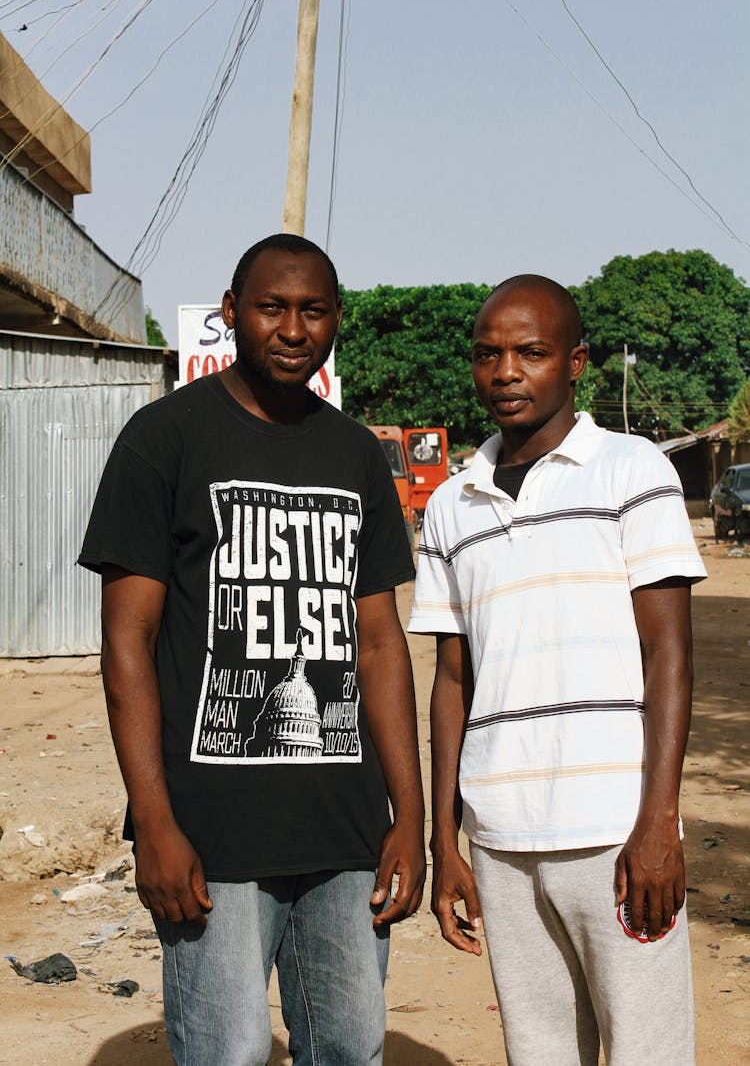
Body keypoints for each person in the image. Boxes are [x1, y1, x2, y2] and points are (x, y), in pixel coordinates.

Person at [79, 233, 425, 1066]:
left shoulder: (355, 455)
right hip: (211, 836)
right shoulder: (164, 439)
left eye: (314, 311)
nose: (293, 328)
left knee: (349, 1046)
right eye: (273, 307)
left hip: (344, 832)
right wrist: (153, 822)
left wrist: (409, 817)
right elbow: (126, 639)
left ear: (337, 319)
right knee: (225, 1051)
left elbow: (379, 643)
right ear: (232, 313)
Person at [408, 274, 705, 1066]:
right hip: (502, 839)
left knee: (650, 1052)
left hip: (616, 832)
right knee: (537, 1052)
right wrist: (448, 839)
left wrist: (658, 824)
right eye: (488, 354)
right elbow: (451, 680)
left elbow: (668, 652)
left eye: (531, 352)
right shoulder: (451, 504)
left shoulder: (630, 470)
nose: (506, 371)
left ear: (575, 363)